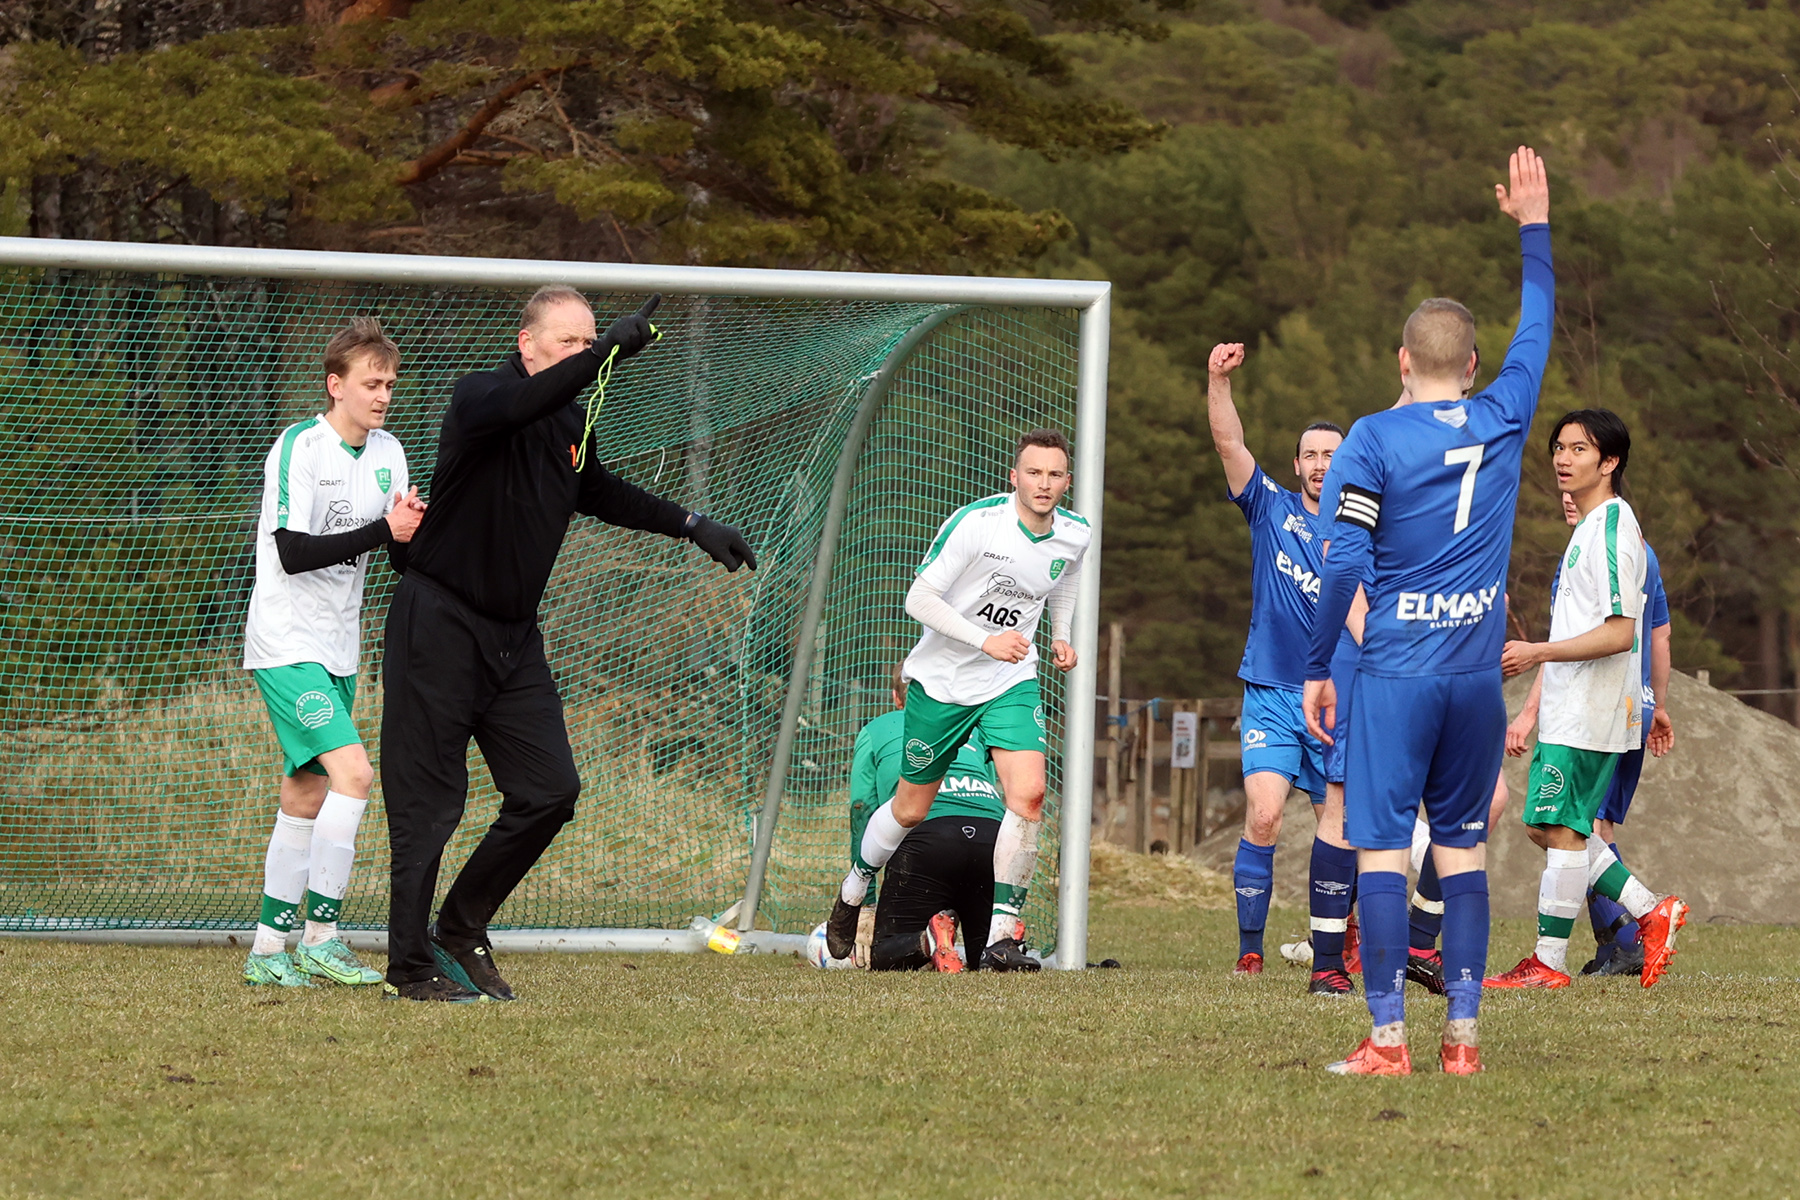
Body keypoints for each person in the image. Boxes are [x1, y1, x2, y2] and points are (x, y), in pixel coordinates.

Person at [379, 287, 756, 1002]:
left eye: (589, 341)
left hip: (513, 639)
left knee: (549, 791)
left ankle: (459, 927)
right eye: (569, 341)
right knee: (429, 805)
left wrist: (691, 524)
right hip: (439, 624)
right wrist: (607, 349)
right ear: (527, 344)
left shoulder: (570, 421)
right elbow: (524, 404)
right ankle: (409, 968)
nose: (583, 353)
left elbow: (597, 491)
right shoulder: (480, 397)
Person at [1303, 146, 1554, 1077]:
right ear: (1476, 365)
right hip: (1476, 680)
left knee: (1379, 852)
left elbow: (1344, 563)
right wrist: (1534, 227)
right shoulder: (1506, 413)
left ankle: (1387, 1038)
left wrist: (1319, 664)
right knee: (1462, 853)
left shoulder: (1370, 439)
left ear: (1403, 361)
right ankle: (1464, 1040)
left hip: (1398, 674)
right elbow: (1539, 326)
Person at [826, 429, 1090, 972]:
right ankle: (854, 888)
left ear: (1067, 481)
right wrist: (985, 640)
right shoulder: (977, 524)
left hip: (1010, 678)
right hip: (943, 683)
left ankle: (1001, 939)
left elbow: (1065, 577)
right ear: (1014, 477)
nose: (1043, 483)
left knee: (1030, 795)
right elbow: (918, 598)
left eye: (1054, 474)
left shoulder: (1075, 532)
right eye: (1033, 473)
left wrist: (1060, 634)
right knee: (910, 809)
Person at [240, 317, 424, 987]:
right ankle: (322, 937)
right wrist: (385, 528)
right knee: (354, 774)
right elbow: (292, 552)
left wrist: (412, 532)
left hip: (339, 649)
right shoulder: (301, 445)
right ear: (335, 385)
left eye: (390, 384)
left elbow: (397, 556)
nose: (383, 396)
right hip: (286, 641)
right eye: (372, 383)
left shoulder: (390, 453)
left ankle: (267, 952)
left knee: (306, 792)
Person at [1487, 411, 1687, 990]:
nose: (1563, 457)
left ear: (1610, 461)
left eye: (1579, 448)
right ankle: (1649, 911)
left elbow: (1623, 633)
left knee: (1561, 827)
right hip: (1571, 706)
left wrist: (1538, 652)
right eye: (1559, 446)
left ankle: (1548, 963)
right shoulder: (1589, 525)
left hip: (1591, 708)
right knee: (1547, 825)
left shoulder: (1613, 529)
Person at [1204, 342, 1356, 984]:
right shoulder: (1271, 506)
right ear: (1297, 464)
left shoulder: (1364, 532)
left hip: (1338, 701)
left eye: (1333, 455)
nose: (1322, 464)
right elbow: (1229, 443)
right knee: (1264, 815)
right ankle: (1250, 949)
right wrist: (1218, 381)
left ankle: (1340, 941)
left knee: (1339, 830)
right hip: (1271, 691)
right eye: (1312, 455)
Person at [846, 664, 1008, 973]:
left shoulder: (877, 728)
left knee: (885, 954)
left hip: (929, 840)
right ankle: (1000, 945)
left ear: (897, 698)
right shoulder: (973, 730)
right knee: (984, 959)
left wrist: (865, 900)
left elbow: (862, 808)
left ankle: (929, 941)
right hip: (994, 838)